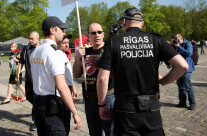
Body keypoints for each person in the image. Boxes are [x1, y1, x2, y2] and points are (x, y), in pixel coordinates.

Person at [97, 7, 188, 135]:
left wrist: (101, 105)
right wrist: (163, 81)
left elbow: (102, 78)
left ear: (124, 21)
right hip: (151, 107)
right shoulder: (156, 40)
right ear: (142, 23)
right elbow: (182, 66)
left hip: (125, 109)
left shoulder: (113, 41)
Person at [30, 16, 82, 135]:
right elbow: (61, 87)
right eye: (62, 29)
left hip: (38, 103)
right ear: (53, 30)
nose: (64, 32)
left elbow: (33, 80)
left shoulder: (35, 51)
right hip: (53, 107)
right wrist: (75, 112)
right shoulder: (55, 53)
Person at [73, 23, 115, 136]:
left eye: (99, 32)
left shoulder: (110, 50)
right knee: (94, 132)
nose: (96, 35)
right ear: (89, 36)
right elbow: (76, 75)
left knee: (110, 131)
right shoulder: (85, 52)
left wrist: (99, 65)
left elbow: (117, 75)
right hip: (90, 98)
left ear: (103, 34)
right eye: (93, 33)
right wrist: (77, 58)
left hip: (108, 98)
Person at [17, 31, 40, 131]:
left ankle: (36, 121)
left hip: (39, 79)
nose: (30, 40)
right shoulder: (26, 48)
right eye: (29, 38)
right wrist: (18, 73)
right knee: (29, 97)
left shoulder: (42, 48)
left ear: (38, 39)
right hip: (28, 77)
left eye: (32, 39)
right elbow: (21, 61)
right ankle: (39, 114)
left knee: (37, 100)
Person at [173, 34, 196, 110]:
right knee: (180, 86)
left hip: (186, 69)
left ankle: (192, 103)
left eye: (177, 39)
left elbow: (189, 53)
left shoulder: (188, 44)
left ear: (181, 38)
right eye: (175, 39)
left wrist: (179, 47)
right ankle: (182, 102)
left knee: (188, 87)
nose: (176, 40)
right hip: (178, 68)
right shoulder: (175, 45)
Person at [57, 34, 78, 98]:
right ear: (58, 44)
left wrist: (73, 87)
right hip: (63, 90)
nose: (67, 45)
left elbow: (68, 74)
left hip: (69, 87)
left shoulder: (64, 54)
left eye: (68, 43)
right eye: (64, 43)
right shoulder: (57, 56)